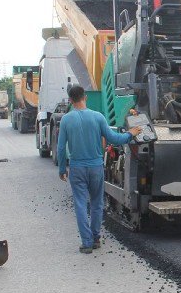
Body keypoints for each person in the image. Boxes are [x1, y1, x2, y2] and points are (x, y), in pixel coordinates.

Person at [57, 85, 142, 254]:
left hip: (77, 167)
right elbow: (115, 139)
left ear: (71, 100)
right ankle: (96, 238)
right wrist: (131, 133)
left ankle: (86, 243)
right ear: (85, 97)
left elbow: (60, 148)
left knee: (80, 204)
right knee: (97, 203)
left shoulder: (66, 120)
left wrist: (62, 169)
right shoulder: (98, 117)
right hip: (96, 167)